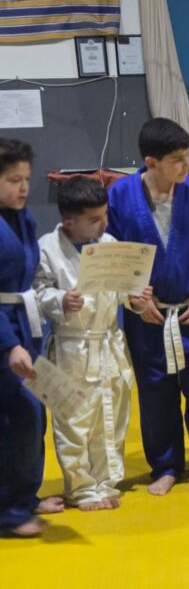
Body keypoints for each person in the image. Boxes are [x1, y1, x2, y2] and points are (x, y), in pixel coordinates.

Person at [107, 118, 189, 498]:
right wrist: (133, 298)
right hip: (148, 316)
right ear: (151, 162)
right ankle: (166, 466)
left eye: (187, 156)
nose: (187, 164)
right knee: (155, 392)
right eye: (177, 159)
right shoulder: (120, 196)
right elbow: (113, 253)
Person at [34, 177, 152, 510]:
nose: (104, 224)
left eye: (105, 215)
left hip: (109, 341)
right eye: (94, 219)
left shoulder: (110, 243)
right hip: (72, 345)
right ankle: (82, 488)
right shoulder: (47, 248)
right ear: (68, 221)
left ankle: (106, 482)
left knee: (111, 416)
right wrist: (60, 300)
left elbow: (124, 293)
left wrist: (136, 299)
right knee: (74, 421)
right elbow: (38, 291)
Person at [0, 138, 63, 537]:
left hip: (25, 324)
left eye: (25, 178)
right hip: (5, 332)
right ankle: (9, 511)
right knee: (17, 416)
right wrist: (9, 345)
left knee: (33, 414)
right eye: (12, 180)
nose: (23, 187)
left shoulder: (22, 219)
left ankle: (26, 497)